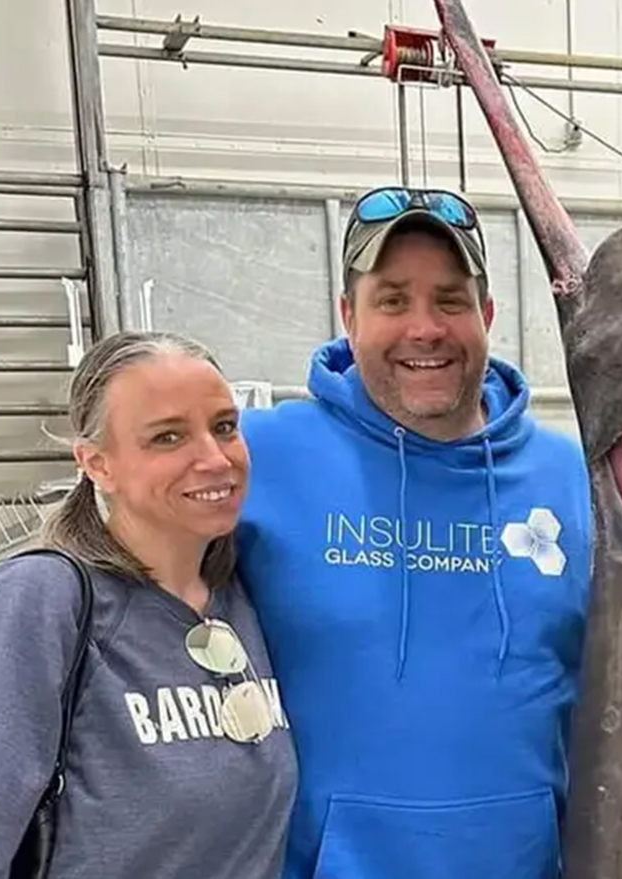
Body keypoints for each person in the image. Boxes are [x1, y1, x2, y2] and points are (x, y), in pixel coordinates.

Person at [234, 186, 593, 879]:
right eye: (393, 299)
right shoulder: (260, 457)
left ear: (487, 314)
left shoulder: (570, 475)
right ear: (348, 316)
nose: (424, 328)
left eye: (450, 300)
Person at [0, 330, 297, 879]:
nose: (214, 459)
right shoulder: (40, 602)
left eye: (224, 427)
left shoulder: (243, 595)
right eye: (168, 438)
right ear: (97, 464)